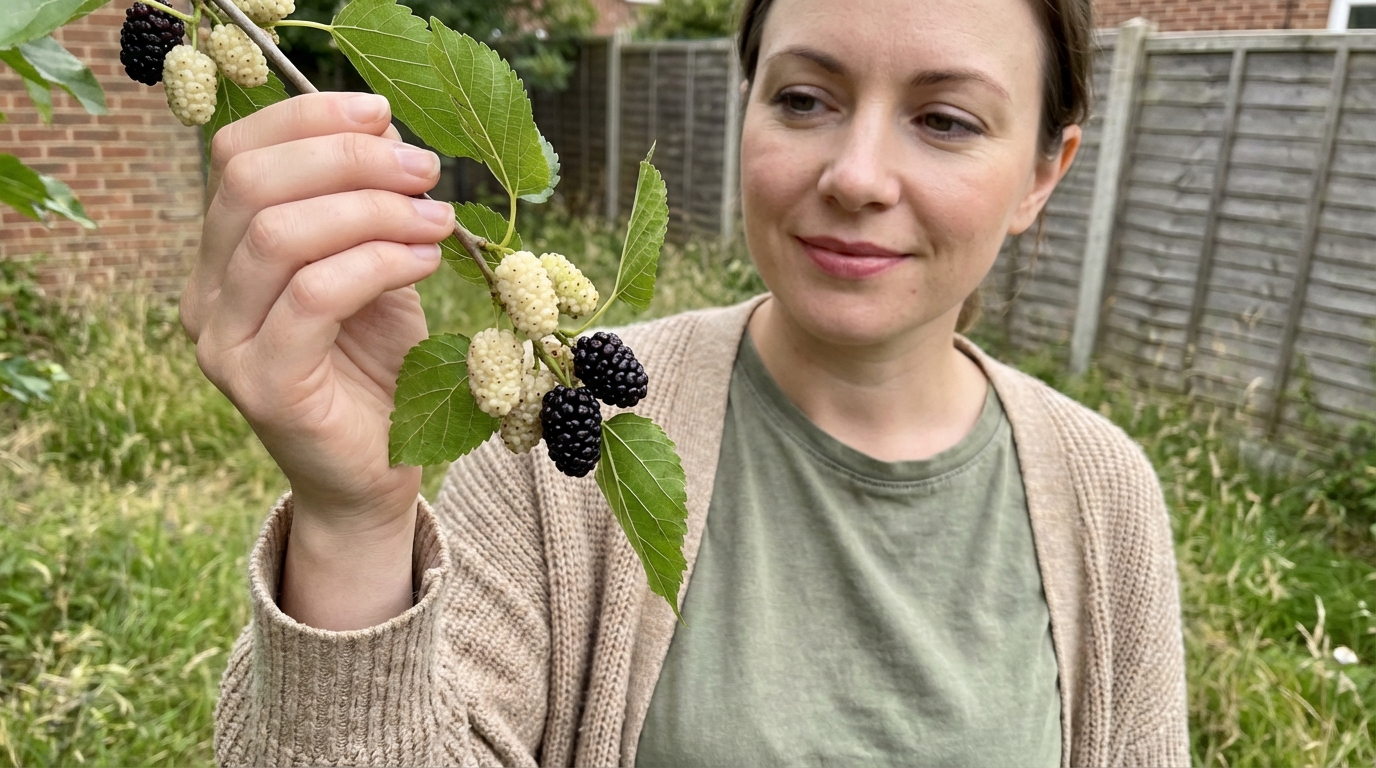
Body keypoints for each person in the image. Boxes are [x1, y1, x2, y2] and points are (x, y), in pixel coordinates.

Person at [186, 0, 1190, 764]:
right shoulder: (559, 445)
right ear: (746, 106)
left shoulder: (1104, 495)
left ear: (1041, 174)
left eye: (945, 119)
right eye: (804, 99)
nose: (855, 175)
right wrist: (355, 523)